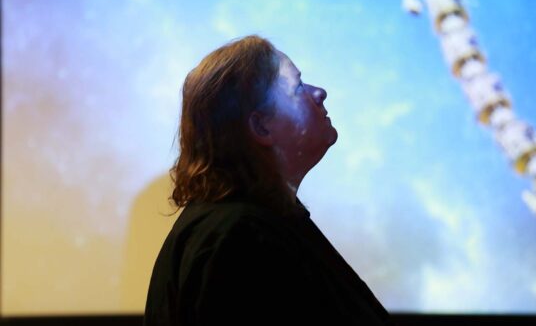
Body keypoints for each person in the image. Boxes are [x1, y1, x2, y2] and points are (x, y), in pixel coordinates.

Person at [144, 35, 391, 325]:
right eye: (297, 87)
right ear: (261, 126)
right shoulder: (240, 240)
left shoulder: (248, 225)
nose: (320, 93)